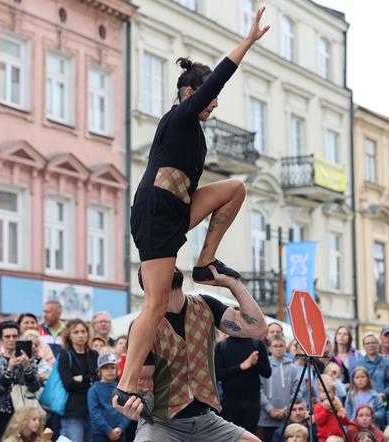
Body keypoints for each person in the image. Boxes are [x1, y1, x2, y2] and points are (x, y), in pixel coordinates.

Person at [117, 6, 270, 418]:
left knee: (235, 188)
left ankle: (204, 263)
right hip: (154, 214)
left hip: (177, 207)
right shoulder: (180, 115)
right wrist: (248, 42)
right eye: (210, 99)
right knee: (153, 302)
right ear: (190, 94)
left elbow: (194, 183)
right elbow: (218, 76)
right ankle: (127, 381)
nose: (214, 105)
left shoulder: (194, 134)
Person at [113, 265, 267, 441]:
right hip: (162, 424)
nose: (169, 267)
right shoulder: (144, 326)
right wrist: (137, 406)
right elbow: (144, 382)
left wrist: (232, 283)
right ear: (148, 283)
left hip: (207, 422)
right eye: (160, 266)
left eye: (171, 264)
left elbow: (258, 328)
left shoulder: (206, 305)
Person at [0, 320, 41, 442]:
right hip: (2, 413)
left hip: (24, 413)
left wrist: (27, 367)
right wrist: (9, 368)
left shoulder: (29, 360)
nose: (11, 339)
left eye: (15, 336)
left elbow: (35, 386)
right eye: (7, 336)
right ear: (1, 339)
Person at [215, 335, 271, 435]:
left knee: (249, 436)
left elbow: (267, 372)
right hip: (229, 402)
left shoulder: (257, 344)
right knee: (231, 436)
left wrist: (255, 363)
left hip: (252, 402)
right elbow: (218, 374)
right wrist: (241, 367)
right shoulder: (222, 346)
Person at [58, 319, 99, 442]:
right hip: (73, 411)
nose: (81, 335)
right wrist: (90, 380)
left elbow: (98, 379)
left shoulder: (94, 354)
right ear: (69, 336)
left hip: (93, 409)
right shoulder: (65, 355)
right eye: (76, 332)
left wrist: (82, 378)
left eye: (83, 331)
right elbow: (68, 384)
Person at [259, 334, 302, 442]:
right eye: (275, 346)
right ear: (269, 348)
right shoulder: (263, 366)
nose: (278, 348)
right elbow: (259, 390)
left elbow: (297, 391)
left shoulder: (293, 368)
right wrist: (270, 409)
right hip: (265, 418)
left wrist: (286, 409)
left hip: (286, 417)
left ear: (285, 347)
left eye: (281, 346)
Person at [353, 333, 389, 427]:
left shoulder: (387, 362)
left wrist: (384, 394)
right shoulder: (358, 363)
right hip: (363, 405)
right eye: (367, 343)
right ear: (364, 346)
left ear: (378, 344)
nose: (370, 345)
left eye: (373, 343)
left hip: (383, 404)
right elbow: (353, 385)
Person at [88, 353, 129, 442]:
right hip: (100, 435)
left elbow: (127, 410)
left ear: (117, 369)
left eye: (112, 367)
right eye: (106, 368)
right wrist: (109, 431)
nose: (110, 370)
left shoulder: (121, 388)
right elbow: (95, 414)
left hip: (119, 433)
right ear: (99, 371)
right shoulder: (94, 390)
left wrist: (121, 427)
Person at [313, 374, 348, 442]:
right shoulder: (318, 406)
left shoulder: (338, 404)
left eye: (328, 392)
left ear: (334, 393)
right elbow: (318, 422)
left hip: (338, 437)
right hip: (324, 438)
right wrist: (326, 410)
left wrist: (344, 417)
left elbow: (345, 423)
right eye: (322, 392)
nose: (325, 394)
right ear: (319, 393)